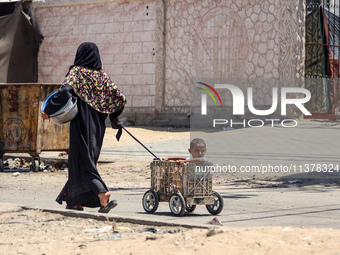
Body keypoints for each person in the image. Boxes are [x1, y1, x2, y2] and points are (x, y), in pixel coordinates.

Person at [42, 42, 126, 213]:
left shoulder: (77, 72)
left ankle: (102, 193)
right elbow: (119, 98)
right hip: (98, 127)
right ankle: (75, 201)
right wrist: (114, 119)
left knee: (83, 162)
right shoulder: (102, 76)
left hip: (81, 124)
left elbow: (65, 91)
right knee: (79, 162)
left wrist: (48, 111)